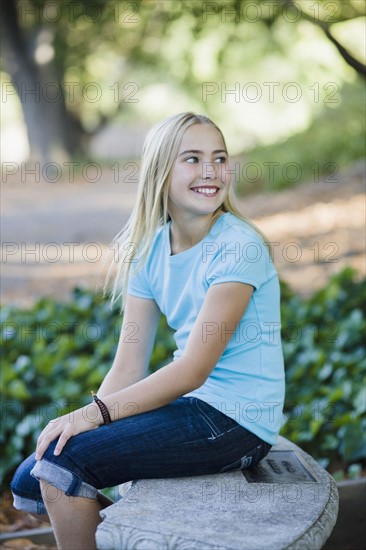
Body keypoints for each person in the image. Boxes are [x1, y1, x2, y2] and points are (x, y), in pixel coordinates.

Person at [11, 112, 285, 549]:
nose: (211, 170)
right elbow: (127, 366)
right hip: (194, 407)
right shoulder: (148, 250)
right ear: (161, 171)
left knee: (63, 471)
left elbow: (193, 369)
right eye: (192, 159)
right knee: (33, 475)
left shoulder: (239, 246)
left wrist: (92, 417)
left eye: (219, 158)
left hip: (238, 423)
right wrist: (87, 424)